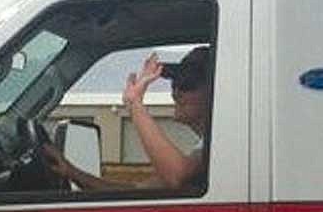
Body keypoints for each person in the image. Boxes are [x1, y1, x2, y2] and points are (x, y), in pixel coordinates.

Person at [43, 46, 210, 191]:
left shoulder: (223, 145)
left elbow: (176, 177)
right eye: (175, 83)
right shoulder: (206, 151)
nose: (176, 93)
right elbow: (137, 191)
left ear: (215, 91)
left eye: (188, 83)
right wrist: (72, 172)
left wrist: (135, 104)